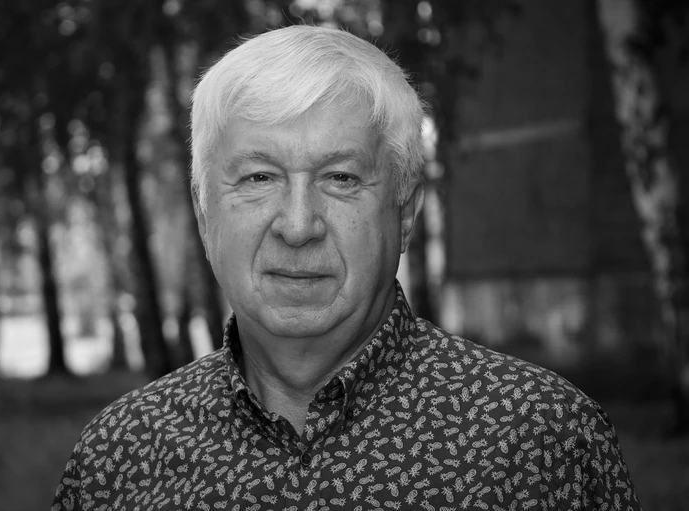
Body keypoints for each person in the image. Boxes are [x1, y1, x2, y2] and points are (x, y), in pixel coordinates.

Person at [52, 25, 641, 511]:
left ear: (404, 213)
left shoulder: (540, 442)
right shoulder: (119, 458)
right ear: (205, 216)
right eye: (258, 177)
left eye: (340, 177)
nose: (297, 225)